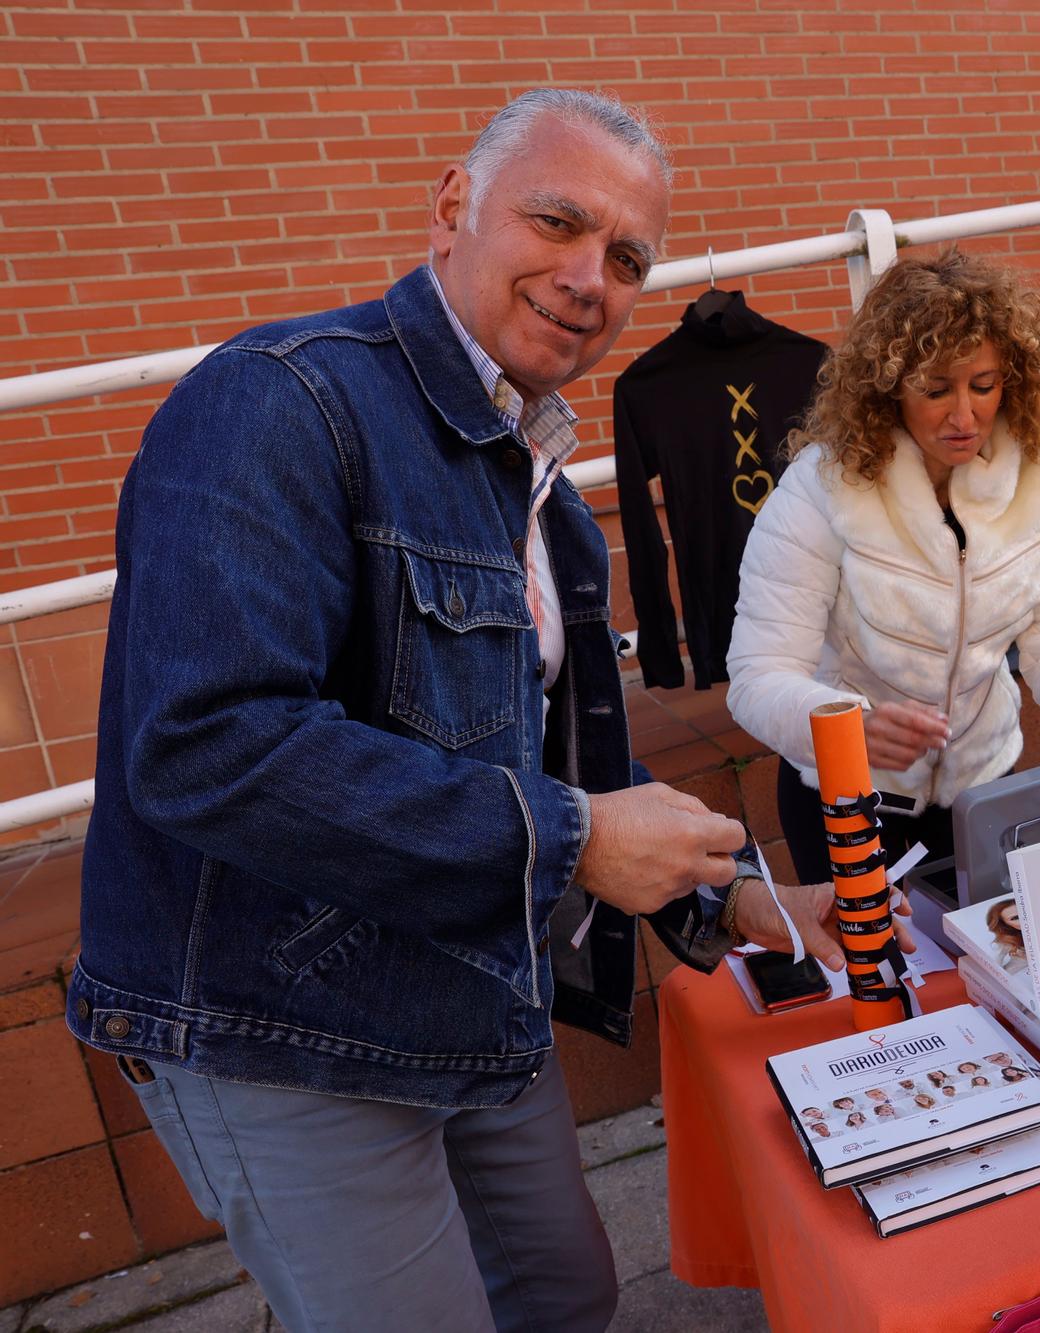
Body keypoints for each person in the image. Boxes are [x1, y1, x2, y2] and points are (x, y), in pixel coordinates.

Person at [65, 89, 881, 1333]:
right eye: (556, 221)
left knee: (565, 1292)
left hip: (465, 987)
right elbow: (204, 749)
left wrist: (729, 899)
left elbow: (524, 764)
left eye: (625, 257)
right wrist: (572, 843)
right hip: (279, 1027)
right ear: (453, 207)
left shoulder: (542, 497)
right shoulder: (278, 400)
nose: (587, 276)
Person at [726, 249, 1040, 883]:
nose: (964, 416)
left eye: (984, 386)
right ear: (889, 385)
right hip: (843, 801)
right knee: (877, 980)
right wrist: (849, 731)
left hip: (984, 793)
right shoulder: (823, 488)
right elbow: (757, 676)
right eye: (935, 390)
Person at [986, 896, 1030, 974]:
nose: (1024, 919)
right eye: (1015, 918)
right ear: (1004, 924)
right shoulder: (1008, 942)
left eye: (1025, 913)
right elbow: (995, 964)